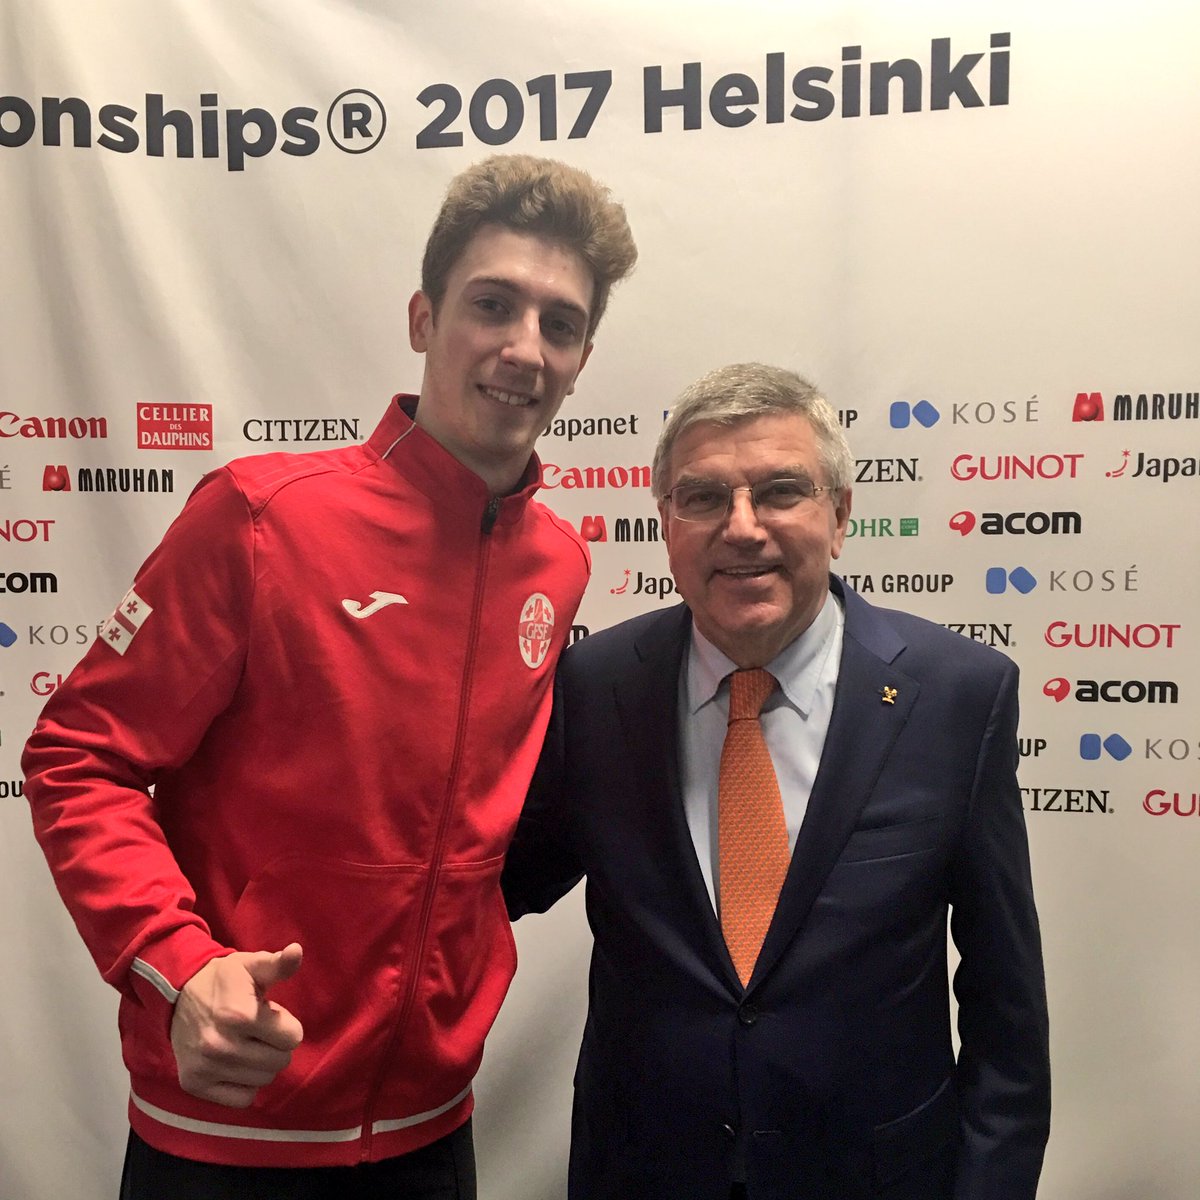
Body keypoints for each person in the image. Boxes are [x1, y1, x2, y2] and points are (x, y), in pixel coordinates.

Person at [22, 153, 636, 1199]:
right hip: (228, 1122)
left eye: (560, 324)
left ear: (581, 360)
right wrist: (177, 963)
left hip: (431, 1132)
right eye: (492, 305)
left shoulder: (559, 565)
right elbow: (78, 758)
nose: (523, 348)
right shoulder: (262, 517)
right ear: (423, 319)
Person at [502, 363, 1051, 1200]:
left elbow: (1005, 1006)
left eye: (781, 491)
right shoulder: (594, 687)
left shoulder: (957, 696)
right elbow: (494, 882)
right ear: (666, 522)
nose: (742, 528)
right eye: (703, 497)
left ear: (840, 516)